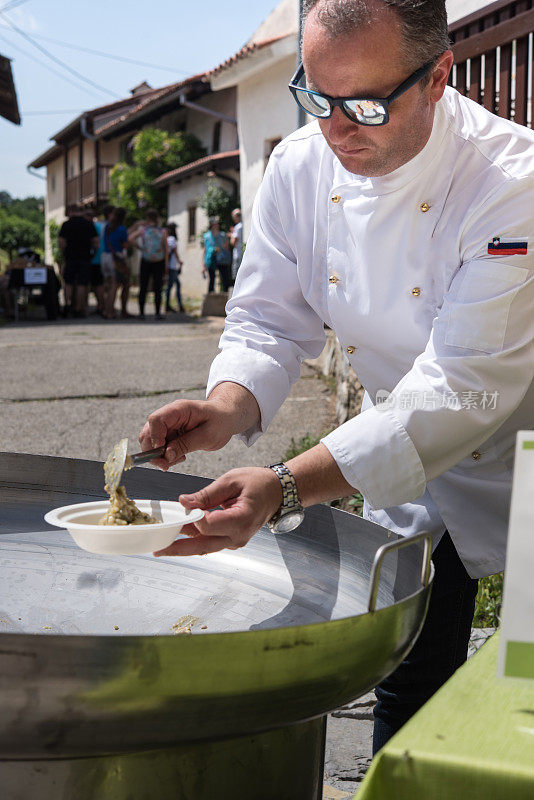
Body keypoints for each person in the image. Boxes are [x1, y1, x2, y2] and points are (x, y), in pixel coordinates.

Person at [139, 0, 534, 756]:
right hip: (403, 452)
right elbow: (267, 320)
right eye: (314, 97)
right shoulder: (299, 166)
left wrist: (285, 486)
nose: (335, 129)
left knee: (525, 694)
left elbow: (459, 387)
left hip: (520, 446)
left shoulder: (512, 180)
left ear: (439, 75)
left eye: (363, 105)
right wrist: (226, 404)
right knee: (409, 676)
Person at [58, 205, 99, 317]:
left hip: (70, 257)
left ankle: (67, 304)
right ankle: (78, 308)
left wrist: (64, 253)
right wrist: (92, 253)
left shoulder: (66, 224)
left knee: (68, 282)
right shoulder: (88, 224)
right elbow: (96, 241)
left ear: (70, 211)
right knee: (82, 283)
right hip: (85, 257)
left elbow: (61, 242)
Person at [133, 209, 168, 320]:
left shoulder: (143, 230)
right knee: (158, 287)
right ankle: (157, 313)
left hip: (146, 260)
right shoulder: (162, 231)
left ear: (147, 218)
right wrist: (166, 264)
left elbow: (130, 238)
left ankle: (141, 313)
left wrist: (141, 248)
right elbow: (166, 249)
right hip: (159, 261)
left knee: (143, 287)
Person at [101, 206, 130, 319]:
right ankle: (112, 311)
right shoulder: (121, 229)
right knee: (117, 286)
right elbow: (125, 245)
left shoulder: (107, 227)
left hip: (105, 257)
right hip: (116, 258)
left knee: (110, 286)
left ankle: (107, 310)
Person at [89, 204, 114, 316]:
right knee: (107, 284)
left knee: (97, 284)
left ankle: (101, 305)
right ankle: (104, 306)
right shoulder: (111, 226)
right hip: (107, 257)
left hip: (96, 258)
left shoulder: (96, 225)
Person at [202, 216, 231, 293]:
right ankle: (210, 297)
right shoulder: (206, 236)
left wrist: (228, 257)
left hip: (222, 259)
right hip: (211, 259)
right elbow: (205, 250)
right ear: (211, 225)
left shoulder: (222, 235)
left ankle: (227, 295)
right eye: (215, 223)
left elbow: (226, 247)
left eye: (217, 223)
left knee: (225, 278)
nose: (217, 225)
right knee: (212, 279)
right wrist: (203, 264)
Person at [165, 222, 185, 313]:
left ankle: (176, 305)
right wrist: (179, 261)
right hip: (172, 266)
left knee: (173, 285)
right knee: (171, 286)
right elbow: (174, 252)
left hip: (169, 266)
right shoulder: (172, 239)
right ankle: (171, 305)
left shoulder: (167, 239)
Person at [229, 208, 243, 282]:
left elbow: (233, 242)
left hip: (237, 254)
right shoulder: (244, 225)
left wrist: (231, 235)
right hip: (243, 253)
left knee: (236, 276)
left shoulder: (237, 227)